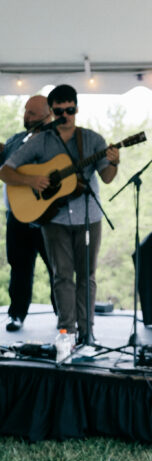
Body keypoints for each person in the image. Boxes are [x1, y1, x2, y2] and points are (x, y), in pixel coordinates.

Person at [0, 84, 120, 344]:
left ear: (77, 109)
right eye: (60, 111)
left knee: (86, 276)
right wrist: (32, 181)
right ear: (52, 112)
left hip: (88, 217)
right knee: (61, 276)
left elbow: (107, 177)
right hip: (53, 218)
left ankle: (87, 333)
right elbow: (6, 171)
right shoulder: (39, 141)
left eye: (70, 110)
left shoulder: (92, 140)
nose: (65, 115)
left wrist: (114, 161)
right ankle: (66, 332)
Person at [0, 95, 56, 332]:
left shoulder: (56, 141)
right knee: (19, 266)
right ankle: (16, 314)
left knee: (56, 268)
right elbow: (5, 166)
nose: (26, 116)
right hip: (16, 214)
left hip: (48, 215)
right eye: (25, 111)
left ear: (48, 115)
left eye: (32, 113)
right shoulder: (16, 140)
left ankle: (65, 316)